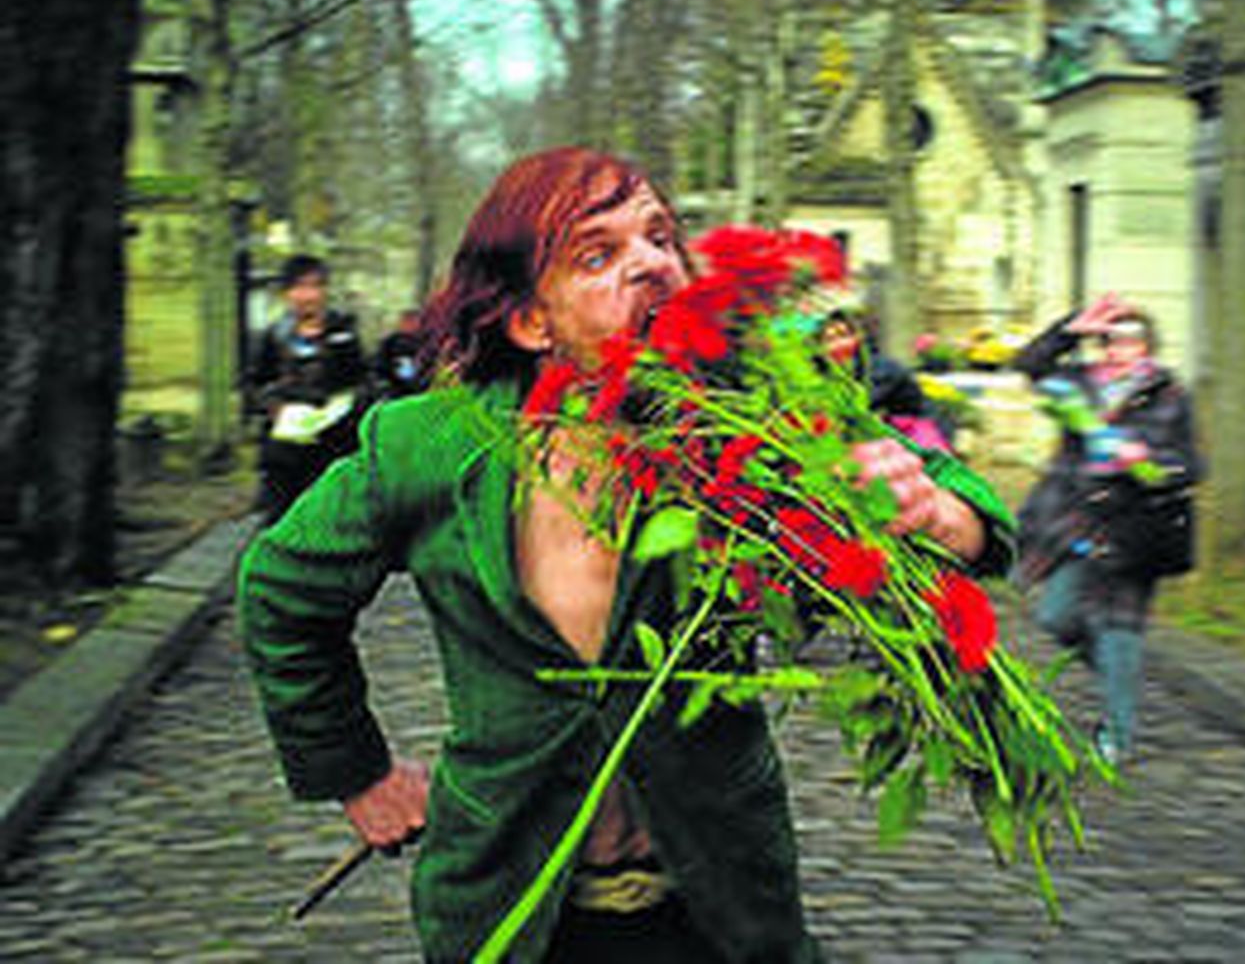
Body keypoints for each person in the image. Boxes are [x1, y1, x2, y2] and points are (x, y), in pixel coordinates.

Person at [237, 147, 1015, 963]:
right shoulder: (427, 445)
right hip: (512, 910)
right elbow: (282, 588)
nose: (649, 261)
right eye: (597, 254)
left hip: (719, 907)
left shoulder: (754, 424)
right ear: (530, 318)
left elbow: (974, 511)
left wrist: (934, 511)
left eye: (659, 237)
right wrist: (355, 771)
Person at [1013, 295, 1202, 767]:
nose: (1120, 349)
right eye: (1110, 340)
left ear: (1148, 346)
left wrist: (1149, 461)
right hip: (1073, 518)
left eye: (1131, 340)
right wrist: (1070, 329)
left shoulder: (1170, 394)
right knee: (1055, 616)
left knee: (1120, 628)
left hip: (1133, 525)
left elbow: (1194, 465)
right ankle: (1119, 677)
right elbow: (1028, 363)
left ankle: (1117, 734)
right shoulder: (1076, 383)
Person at [247, 254, 369, 524]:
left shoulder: (344, 334)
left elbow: (364, 381)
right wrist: (275, 408)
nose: (307, 295)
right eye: (299, 287)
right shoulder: (273, 335)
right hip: (285, 449)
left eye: (315, 286)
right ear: (287, 293)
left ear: (324, 291)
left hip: (333, 447)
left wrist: (343, 407)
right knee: (282, 521)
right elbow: (254, 384)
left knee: (328, 521)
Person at [818, 310, 952, 452]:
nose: (836, 345)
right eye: (828, 339)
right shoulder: (831, 369)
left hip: (913, 430)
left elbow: (858, 408)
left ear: (859, 338)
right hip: (881, 430)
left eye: (843, 336)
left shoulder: (881, 369)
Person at [373, 308, 428, 400]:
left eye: (413, 321)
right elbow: (406, 372)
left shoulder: (421, 341)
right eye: (408, 321)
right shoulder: (396, 343)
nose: (410, 325)